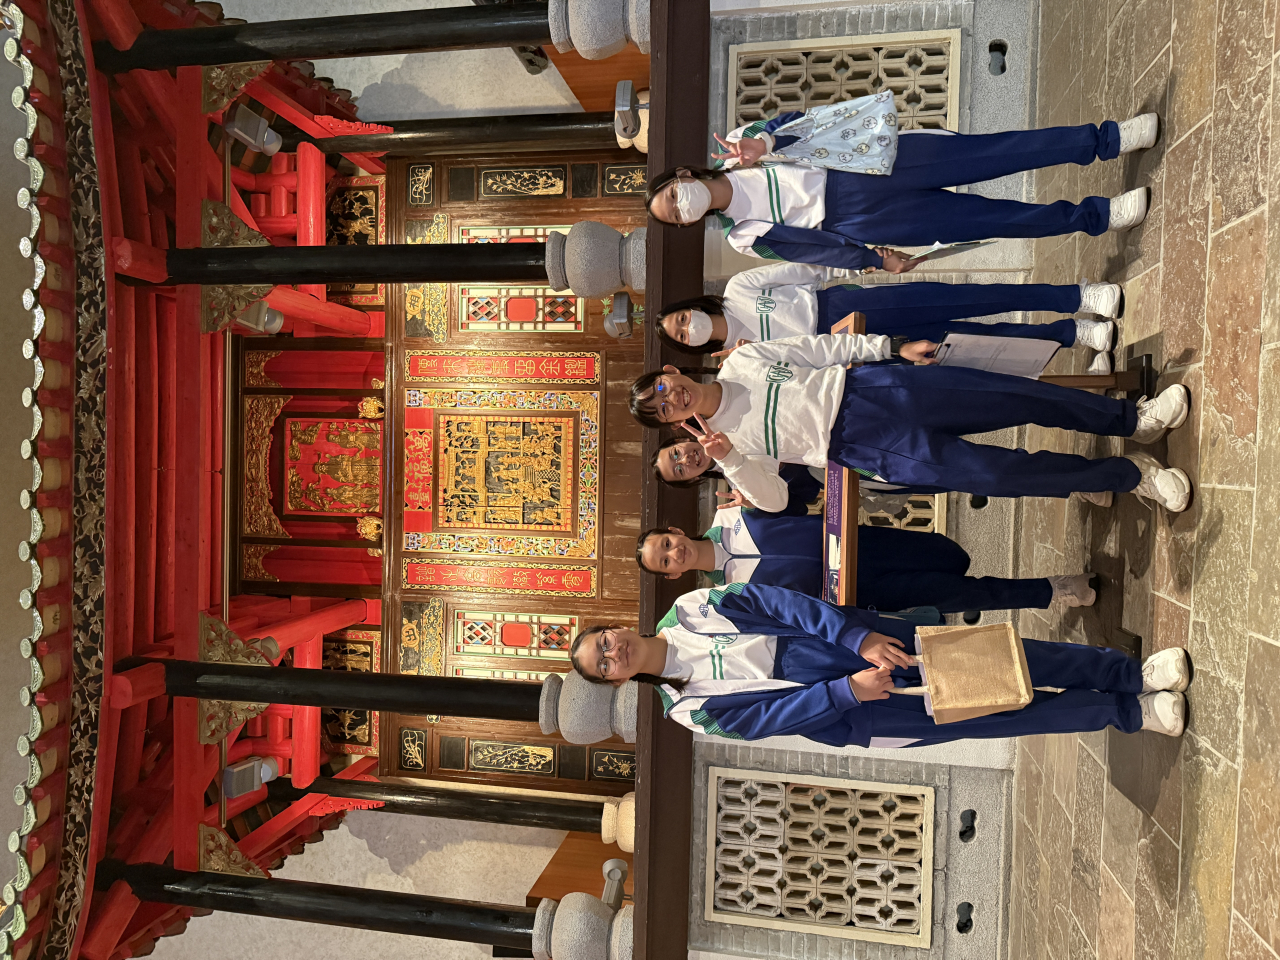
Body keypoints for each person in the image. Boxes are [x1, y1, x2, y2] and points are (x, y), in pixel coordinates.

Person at [629, 332, 1193, 513]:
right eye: (666, 411)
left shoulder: (745, 360)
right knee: (995, 475)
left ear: (671, 371)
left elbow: (822, 348)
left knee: (1014, 396)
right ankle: (1129, 476)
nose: (673, 399)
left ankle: (1132, 419)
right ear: (675, 424)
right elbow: (775, 501)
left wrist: (890, 347)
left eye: (663, 389)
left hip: (875, 389)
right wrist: (730, 459)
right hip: (863, 445)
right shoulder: (727, 447)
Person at [568, 582, 1192, 746]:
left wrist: (856, 637)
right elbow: (768, 719)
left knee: (998, 661)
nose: (613, 652)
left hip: (841, 644)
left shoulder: (692, 608)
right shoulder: (688, 711)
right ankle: (1130, 714)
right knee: (989, 714)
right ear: (616, 680)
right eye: (604, 665)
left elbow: (779, 604)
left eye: (604, 642)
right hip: (848, 711)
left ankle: (1129, 675)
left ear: (613, 627)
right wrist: (848, 694)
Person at [646, 110, 1160, 272]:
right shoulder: (741, 237)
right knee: (991, 220)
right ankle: (1098, 216)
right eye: (675, 216)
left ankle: (1106, 140)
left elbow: (803, 121)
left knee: (995, 152)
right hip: (859, 221)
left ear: (683, 176)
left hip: (861, 167)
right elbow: (813, 250)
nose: (681, 207)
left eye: (672, 197)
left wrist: (765, 142)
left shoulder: (739, 144)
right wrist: (873, 259)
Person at [656, 263, 1121, 374]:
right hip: (853, 355)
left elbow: (806, 269)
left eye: (682, 318)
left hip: (845, 308)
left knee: (966, 300)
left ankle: (1077, 295)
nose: (688, 326)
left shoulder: (739, 289)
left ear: (692, 305)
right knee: (964, 344)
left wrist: (862, 266)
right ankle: (1073, 334)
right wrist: (751, 357)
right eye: (682, 334)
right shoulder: (736, 362)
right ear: (690, 347)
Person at [636, 504, 1097, 611]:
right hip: (859, 591)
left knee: (951, 555)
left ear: (674, 531)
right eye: (666, 562)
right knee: (959, 593)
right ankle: (1056, 589)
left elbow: (786, 492)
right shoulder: (728, 594)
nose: (674, 553)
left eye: (667, 544)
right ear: (673, 575)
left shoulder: (734, 512)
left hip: (864, 543)